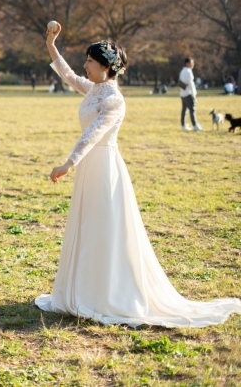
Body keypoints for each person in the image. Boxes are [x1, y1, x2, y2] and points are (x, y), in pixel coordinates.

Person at [36, 24, 241, 327]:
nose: (85, 66)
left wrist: (69, 163)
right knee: (88, 224)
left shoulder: (114, 101)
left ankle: (106, 294)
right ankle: (83, 289)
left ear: (106, 67)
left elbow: (94, 134)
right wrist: (51, 43)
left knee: (104, 227)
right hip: (90, 170)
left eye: (90, 61)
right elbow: (66, 73)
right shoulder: (92, 88)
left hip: (104, 167)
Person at [179, 58, 203, 131]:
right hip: (188, 93)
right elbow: (191, 84)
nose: (193, 64)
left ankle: (183, 125)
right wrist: (194, 94)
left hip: (182, 93)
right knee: (192, 109)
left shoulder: (182, 71)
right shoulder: (188, 72)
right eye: (191, 63)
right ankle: (195, 125)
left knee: (184, 110)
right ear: (187, 63)